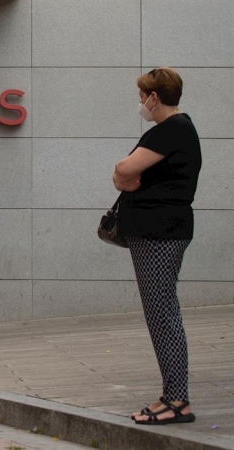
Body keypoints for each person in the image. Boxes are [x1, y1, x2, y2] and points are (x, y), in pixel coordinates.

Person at [113, 67, 201, 425]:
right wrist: (125, 175)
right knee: (160, 312)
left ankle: (177, 400)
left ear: (155, 97)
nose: (140, 102)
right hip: (159, 230)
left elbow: (123, 171)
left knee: (162, 313)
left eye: (141, 95)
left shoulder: (171, 130)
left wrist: (125, 175)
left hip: (158, 233)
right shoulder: (174, 130)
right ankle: (172, 395)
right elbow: (124, 175)